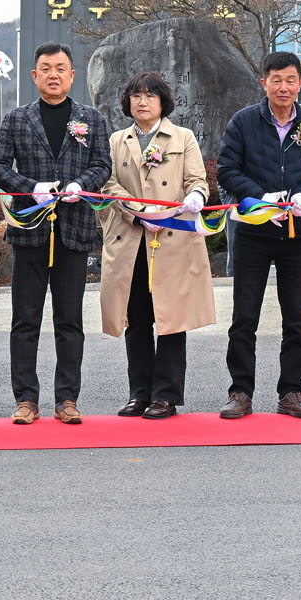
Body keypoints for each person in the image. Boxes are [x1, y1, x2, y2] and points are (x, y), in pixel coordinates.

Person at [0, 42, 112, 425]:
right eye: (46, 68)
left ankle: (67, 399)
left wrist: (81, 184)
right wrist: (30, 188)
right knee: (25, 319)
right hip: (30, 230)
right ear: (35, 75)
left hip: (74, 229)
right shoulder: (17, 119)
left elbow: (102, 164)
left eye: (61, 68)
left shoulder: (91, 118)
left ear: (72, 75)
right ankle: (26, 399)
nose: (53, 74)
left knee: (69, 320)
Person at [216, 51, 301, 421]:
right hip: (253, 230)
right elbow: (226, 169)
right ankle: (240, 391)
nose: (284, 87)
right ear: (263, 82)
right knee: (244, 316)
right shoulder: (244, 121)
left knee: (297, 317)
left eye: (291, 80)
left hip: (299, 232)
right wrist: (259, 197)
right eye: (276, 79)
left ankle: (291, 392)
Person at [101, 72, 214, 418]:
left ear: (163, 102)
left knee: (171, 318)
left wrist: (196, 196)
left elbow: (198, 180)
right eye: (136, 96)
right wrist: (139, 212)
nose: (142, 101)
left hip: (172, 238)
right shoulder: (117, 140)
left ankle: (165, 395)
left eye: (150, 95)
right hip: (132, 237)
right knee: (136, 317)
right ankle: (139, 392)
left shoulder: (183, 137)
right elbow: (108, 184)